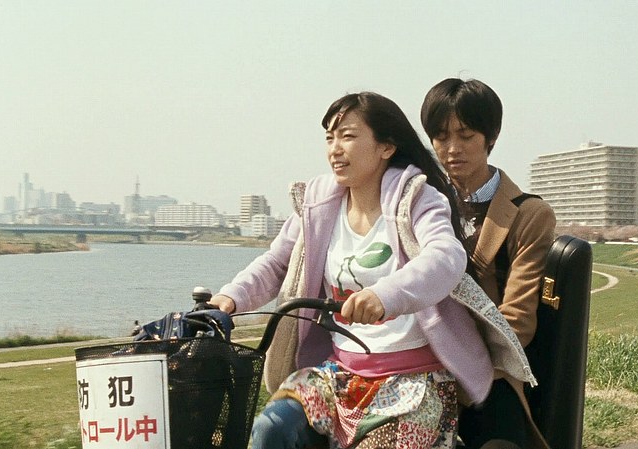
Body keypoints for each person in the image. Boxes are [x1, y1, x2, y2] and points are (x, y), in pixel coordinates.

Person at [204, 92, 495, 449]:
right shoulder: (318, 204)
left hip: (413, 382)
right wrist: (230, 298)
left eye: (348, 136)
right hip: (338, 374)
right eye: (330, 138)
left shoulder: (416, 198)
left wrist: (385, 295)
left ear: (386, 146)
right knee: (272, 429)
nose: (335, 149)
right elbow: (278, 262)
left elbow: (445, 256)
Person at [421, 78, 557, 449]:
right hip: (417, 364)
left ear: (491, 136)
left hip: (489, 370)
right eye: (441, 137)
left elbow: (517, 322)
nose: (452, 149)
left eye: (465, 135)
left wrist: (457, 360)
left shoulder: (529, 214)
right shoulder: (419, 202)